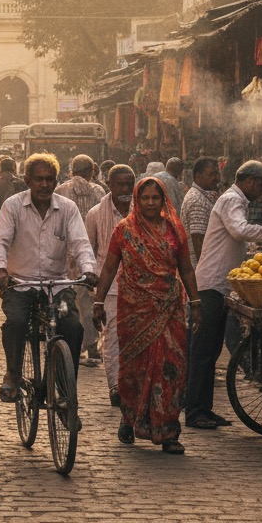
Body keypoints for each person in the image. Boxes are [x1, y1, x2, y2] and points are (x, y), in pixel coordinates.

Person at [184, 160, 262, 430]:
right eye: (260, 185)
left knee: (210, 352)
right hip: (211, 285)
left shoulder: (233, 200)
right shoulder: (232, 200)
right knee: (202, 352)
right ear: (248, 180)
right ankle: (194, 411)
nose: (261, 191)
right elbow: (240, 230)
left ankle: (204, 409)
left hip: (221, 285)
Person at [93, 177, 201, 454]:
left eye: (156, 198)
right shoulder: (124, 230)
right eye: (145, 198)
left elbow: (186, 269)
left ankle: (168, 431)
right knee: (135, 369)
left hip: (169, 308)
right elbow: (108, 269)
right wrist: (97, 302)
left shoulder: (175, 231)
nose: (151, 203)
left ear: (163, 200)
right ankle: (129, 420)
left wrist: (196, 301)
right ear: (137, 201)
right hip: (135, 309)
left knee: (171, 367)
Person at [0, 153, 99, 403]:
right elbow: (0, 242)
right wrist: (0, 271)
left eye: (50, 179)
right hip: (20, 283)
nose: (44, 185)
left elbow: (81, 243)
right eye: (39, 179)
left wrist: (89, 270)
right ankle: (13, 374)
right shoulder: (13, 206)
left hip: (56, 285)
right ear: (28, 180)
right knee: (16, 322)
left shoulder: (67, 208)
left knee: (72, 327)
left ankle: (62, 387)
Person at [84, 164, 135, 407]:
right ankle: (115, 386)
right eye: (121, 184)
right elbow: (88, 250)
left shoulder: (143, 209)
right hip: (111, 285)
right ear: (110, 185)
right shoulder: (95, 214)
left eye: (130, 184)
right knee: (113, 336)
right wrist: (95, 294)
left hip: (141, 284)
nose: (126, 189)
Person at [56, 154, 107, 364]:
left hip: (66, 256)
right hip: (90, 256)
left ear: (72, 170)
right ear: (91, 171)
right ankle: (92, 345)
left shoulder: (60, 191)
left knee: (67, 300)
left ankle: (70, 345)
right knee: (89, 301)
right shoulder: (99, 191)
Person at [179, 157, 221, 267]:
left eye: (217, 174)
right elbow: (199, 244)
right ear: (198, 176)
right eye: (212, 174)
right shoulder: (197, 200)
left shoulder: (202, 195)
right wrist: (207, 271)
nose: (217, 178)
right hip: (202, 270)